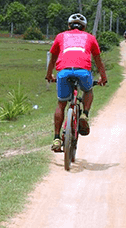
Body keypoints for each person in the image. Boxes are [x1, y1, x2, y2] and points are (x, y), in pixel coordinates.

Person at [45, 13, 108, 153]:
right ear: (84, 27)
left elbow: (53, 58)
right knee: (88, 90)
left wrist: (49, 75)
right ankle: (84, 114)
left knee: (61, 103)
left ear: (69, 26)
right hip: (83, 72)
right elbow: (98, 61)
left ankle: (56, 138)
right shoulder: (90, 38)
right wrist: (103, 78)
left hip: (63, 72)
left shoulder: (60, 36)